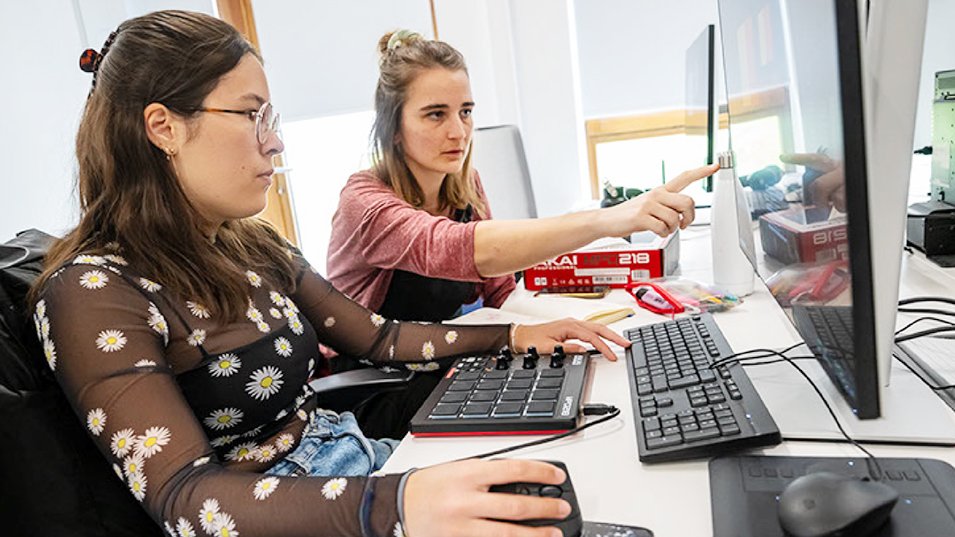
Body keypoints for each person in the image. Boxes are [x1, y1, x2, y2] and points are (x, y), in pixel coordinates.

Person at [30, 10, 632, 537]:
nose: (276, 145)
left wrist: (512, 338)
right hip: (299, 512)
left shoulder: (252, 246)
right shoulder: (92, 291)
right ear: (164, 127)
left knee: (570, 494)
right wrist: (393, 505)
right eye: (251, 116)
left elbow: (379, 338)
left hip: (354, 463)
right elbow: (186, 500)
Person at [326, 29, 717, 438]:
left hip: (448, 353)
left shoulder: (464, 184)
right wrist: (610, 218)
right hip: (381, 386)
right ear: (393, 127)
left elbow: (499, 292)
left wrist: (573, 322)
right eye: (436, 114)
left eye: (466, 111)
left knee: (580, 382)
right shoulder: (365, 201)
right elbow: (458, 249)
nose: (459, 131)